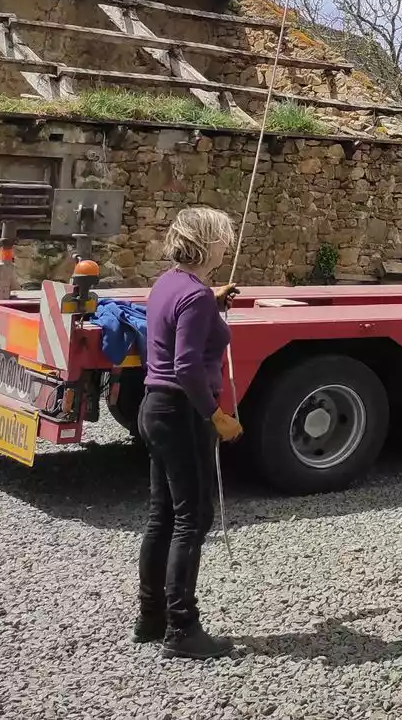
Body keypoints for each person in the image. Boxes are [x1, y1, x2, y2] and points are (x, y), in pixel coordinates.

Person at [136, 205, 245, 659]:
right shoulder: (195, 296)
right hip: (181, 412)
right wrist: (215, 415)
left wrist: (212, 300)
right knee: (192, 518)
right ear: (206, 243)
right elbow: (185, 366)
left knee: (163, 515)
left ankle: (151, 617)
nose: (227, 246)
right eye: (223, 238)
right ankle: (182, 630)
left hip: (155, 409)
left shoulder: (170, 282)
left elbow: (178, 322)